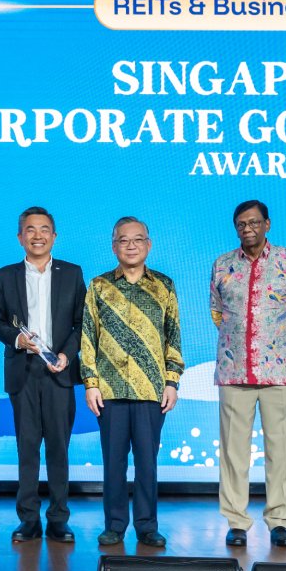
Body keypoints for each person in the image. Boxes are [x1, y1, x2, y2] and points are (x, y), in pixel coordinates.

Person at [209, 199, 286, 549]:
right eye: (241, 224)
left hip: (279, 371)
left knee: (280, 451)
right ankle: (236, 522)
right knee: (233, 452)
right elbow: (217, 313)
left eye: (253, 222)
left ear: (267, 224)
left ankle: (279, 522)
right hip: (234, 370)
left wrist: (276, 344)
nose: (247, 228)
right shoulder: (222, 264)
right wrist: (241, 343)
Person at [81, 216, 182, 548]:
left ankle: (147, 526)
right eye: (123, 240)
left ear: (148, 245)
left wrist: (172, 381)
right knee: (113, 463)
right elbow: (88, 337)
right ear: (114, 247)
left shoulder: (164, 285)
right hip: (109, 391)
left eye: (138, 239)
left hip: (151, 390)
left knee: (147, 463)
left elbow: (173, 336)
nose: (131, 246)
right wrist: (91, 383)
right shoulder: (99, 286)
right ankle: (114, 525)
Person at [0, 207, 86, 543]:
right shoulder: (5, 276)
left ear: (54, 237)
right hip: (24, 371)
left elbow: (81, 323)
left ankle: (59, 518)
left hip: (60, 371)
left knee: (59, 448)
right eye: (30, 230)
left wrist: (66, 355)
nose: (37, 235)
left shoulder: (72, 273)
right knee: (27, 448)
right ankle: (28, 519)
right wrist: (18, 340)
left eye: (44, 229)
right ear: (20, 237)